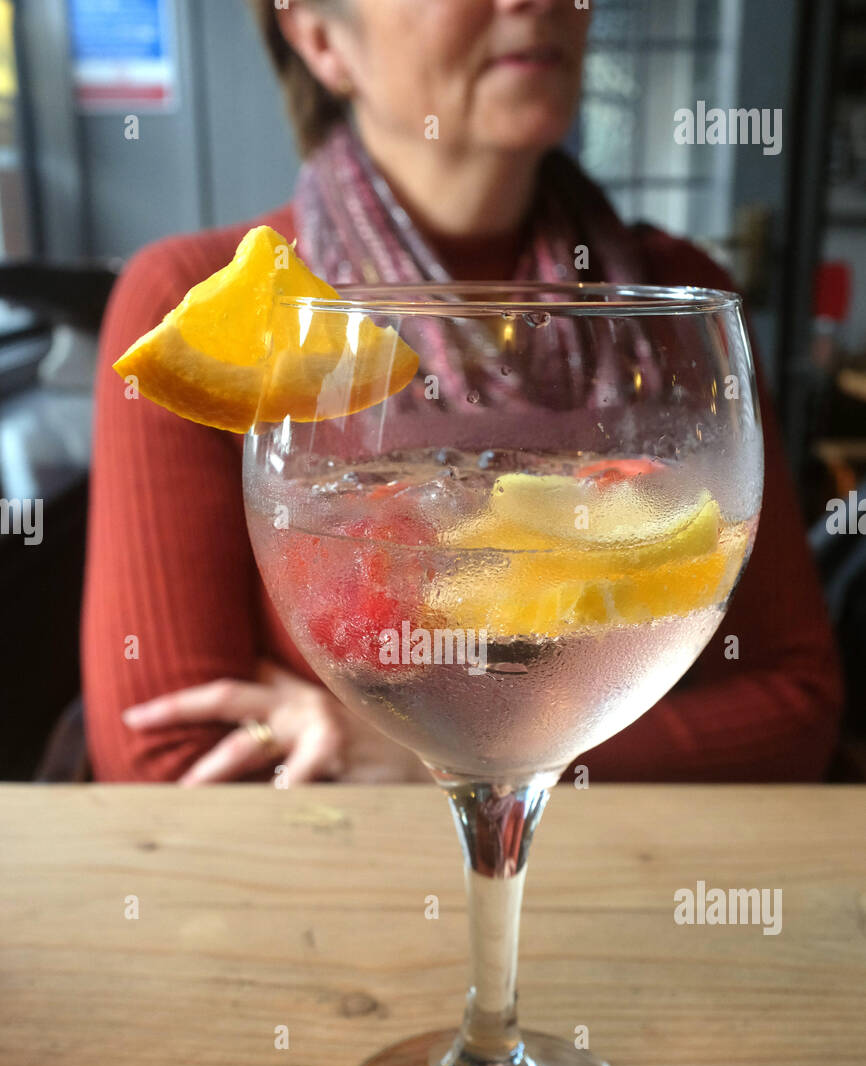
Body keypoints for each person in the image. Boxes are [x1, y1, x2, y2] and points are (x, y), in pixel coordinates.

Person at [82, 0, 842, 785]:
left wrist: (432, 758)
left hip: (631, 886)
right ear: (317, 36)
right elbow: (163, 757)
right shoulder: (220, 320)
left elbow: (798, 705)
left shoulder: (682, 311)